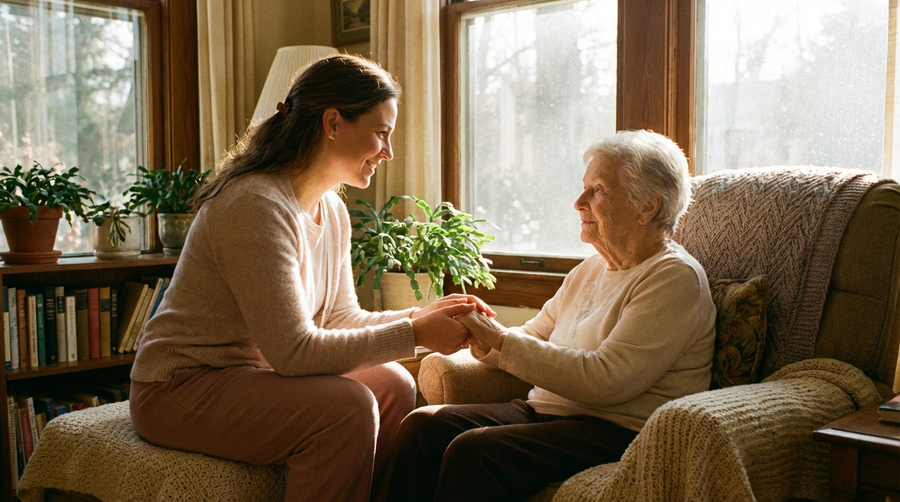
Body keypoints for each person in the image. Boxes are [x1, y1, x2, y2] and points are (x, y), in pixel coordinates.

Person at [128, 54, 492, 502]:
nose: (388, 152)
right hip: (180, 386)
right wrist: (416, 331)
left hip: (251, 375)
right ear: (334, 123)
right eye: (381, 133)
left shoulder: (332, 209)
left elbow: (339, 318)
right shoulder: (255, 203)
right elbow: (294, 353)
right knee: (348, 409)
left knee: (394, 383)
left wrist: (420, 317)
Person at [385, 129, 717, 502]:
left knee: (474, 452)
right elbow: (532, 337)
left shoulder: (673, 278)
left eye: (599, 190)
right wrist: (480, 334)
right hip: (546, 413)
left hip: (618, 430)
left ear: (647, 206)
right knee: (424, 425)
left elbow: (606, 379)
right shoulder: (589, 270)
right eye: (584, 187)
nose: (579, 202)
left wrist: (500, 339)